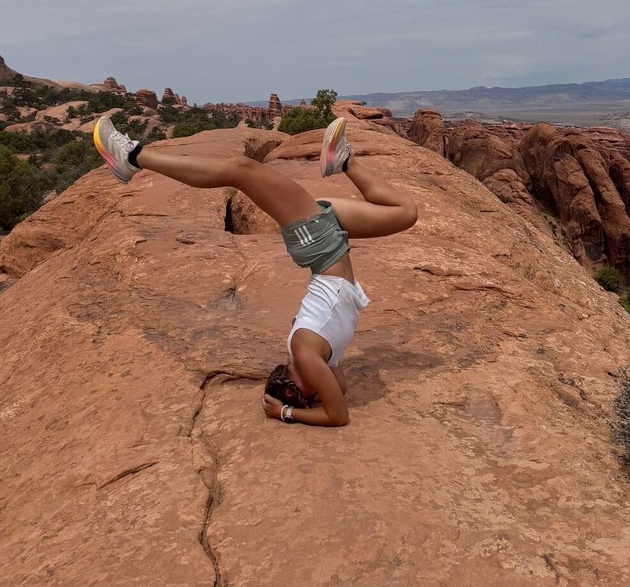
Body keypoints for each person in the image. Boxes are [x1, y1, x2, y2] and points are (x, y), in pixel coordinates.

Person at [92, 114, 417, 427]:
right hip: (326, 242)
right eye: (301, 395)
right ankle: (343, 161)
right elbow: (338, 406)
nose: (311, 391)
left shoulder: (304, 353)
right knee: (405, 213)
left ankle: (133, 157)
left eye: (296, 391)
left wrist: (286, 410)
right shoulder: (318, 360)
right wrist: (290, 409)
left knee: (242, 170)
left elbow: (335, 411)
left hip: (317, 242)